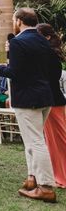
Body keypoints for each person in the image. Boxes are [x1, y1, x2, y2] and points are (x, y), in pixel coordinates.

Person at [0, 8, 57, 202]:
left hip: (27, 98)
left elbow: (15, 72)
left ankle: (46, 187)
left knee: (35, 142)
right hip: (45, 96)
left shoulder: (18, 42)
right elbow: (50, 70)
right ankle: (32, 179)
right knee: (33, 140)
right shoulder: (44, 40)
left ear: (18, 21)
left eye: (13, 20)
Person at [37, 23, 66, 189]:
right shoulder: (47, 53)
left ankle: (62, 176)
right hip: (50, 100)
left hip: (54, 101)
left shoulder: (49, 55)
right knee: (52, 141)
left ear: (47, 37)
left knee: (60, 140)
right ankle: (57, 174)